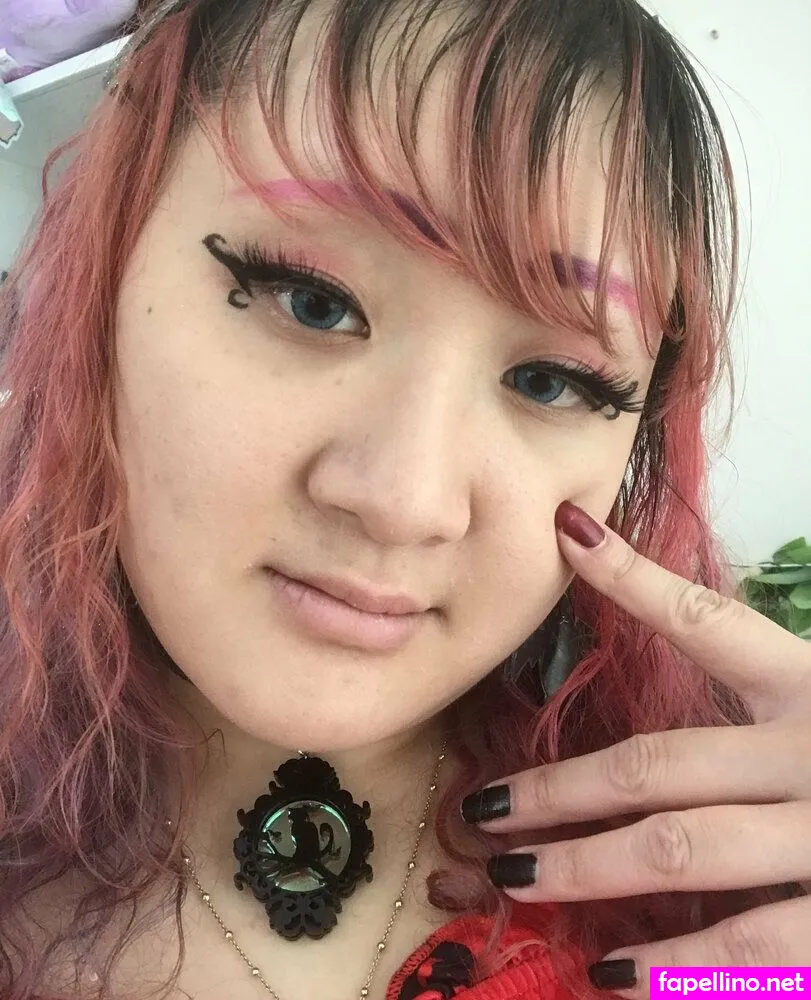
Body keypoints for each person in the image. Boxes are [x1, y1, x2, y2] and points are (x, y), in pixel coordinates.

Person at [1, 0, 808, 998]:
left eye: (551, 380)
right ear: (107, 267)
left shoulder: (727, 925)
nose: (405, 502)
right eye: (310, 300)